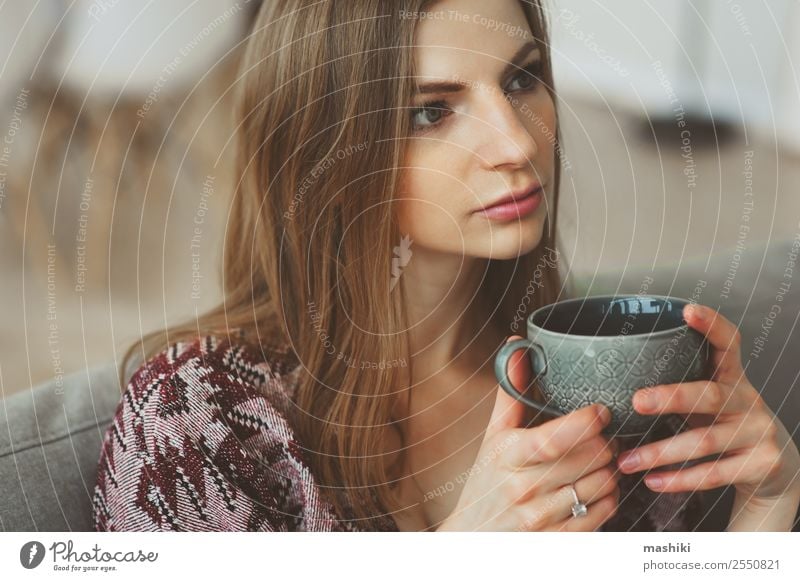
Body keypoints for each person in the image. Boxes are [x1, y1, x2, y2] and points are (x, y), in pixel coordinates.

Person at [93, 0, 800, 532]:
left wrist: (767, 511)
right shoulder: (191, 426)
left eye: (521, 79)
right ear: (324, 155)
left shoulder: (587, 375)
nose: (516, 142)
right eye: (431, 111)